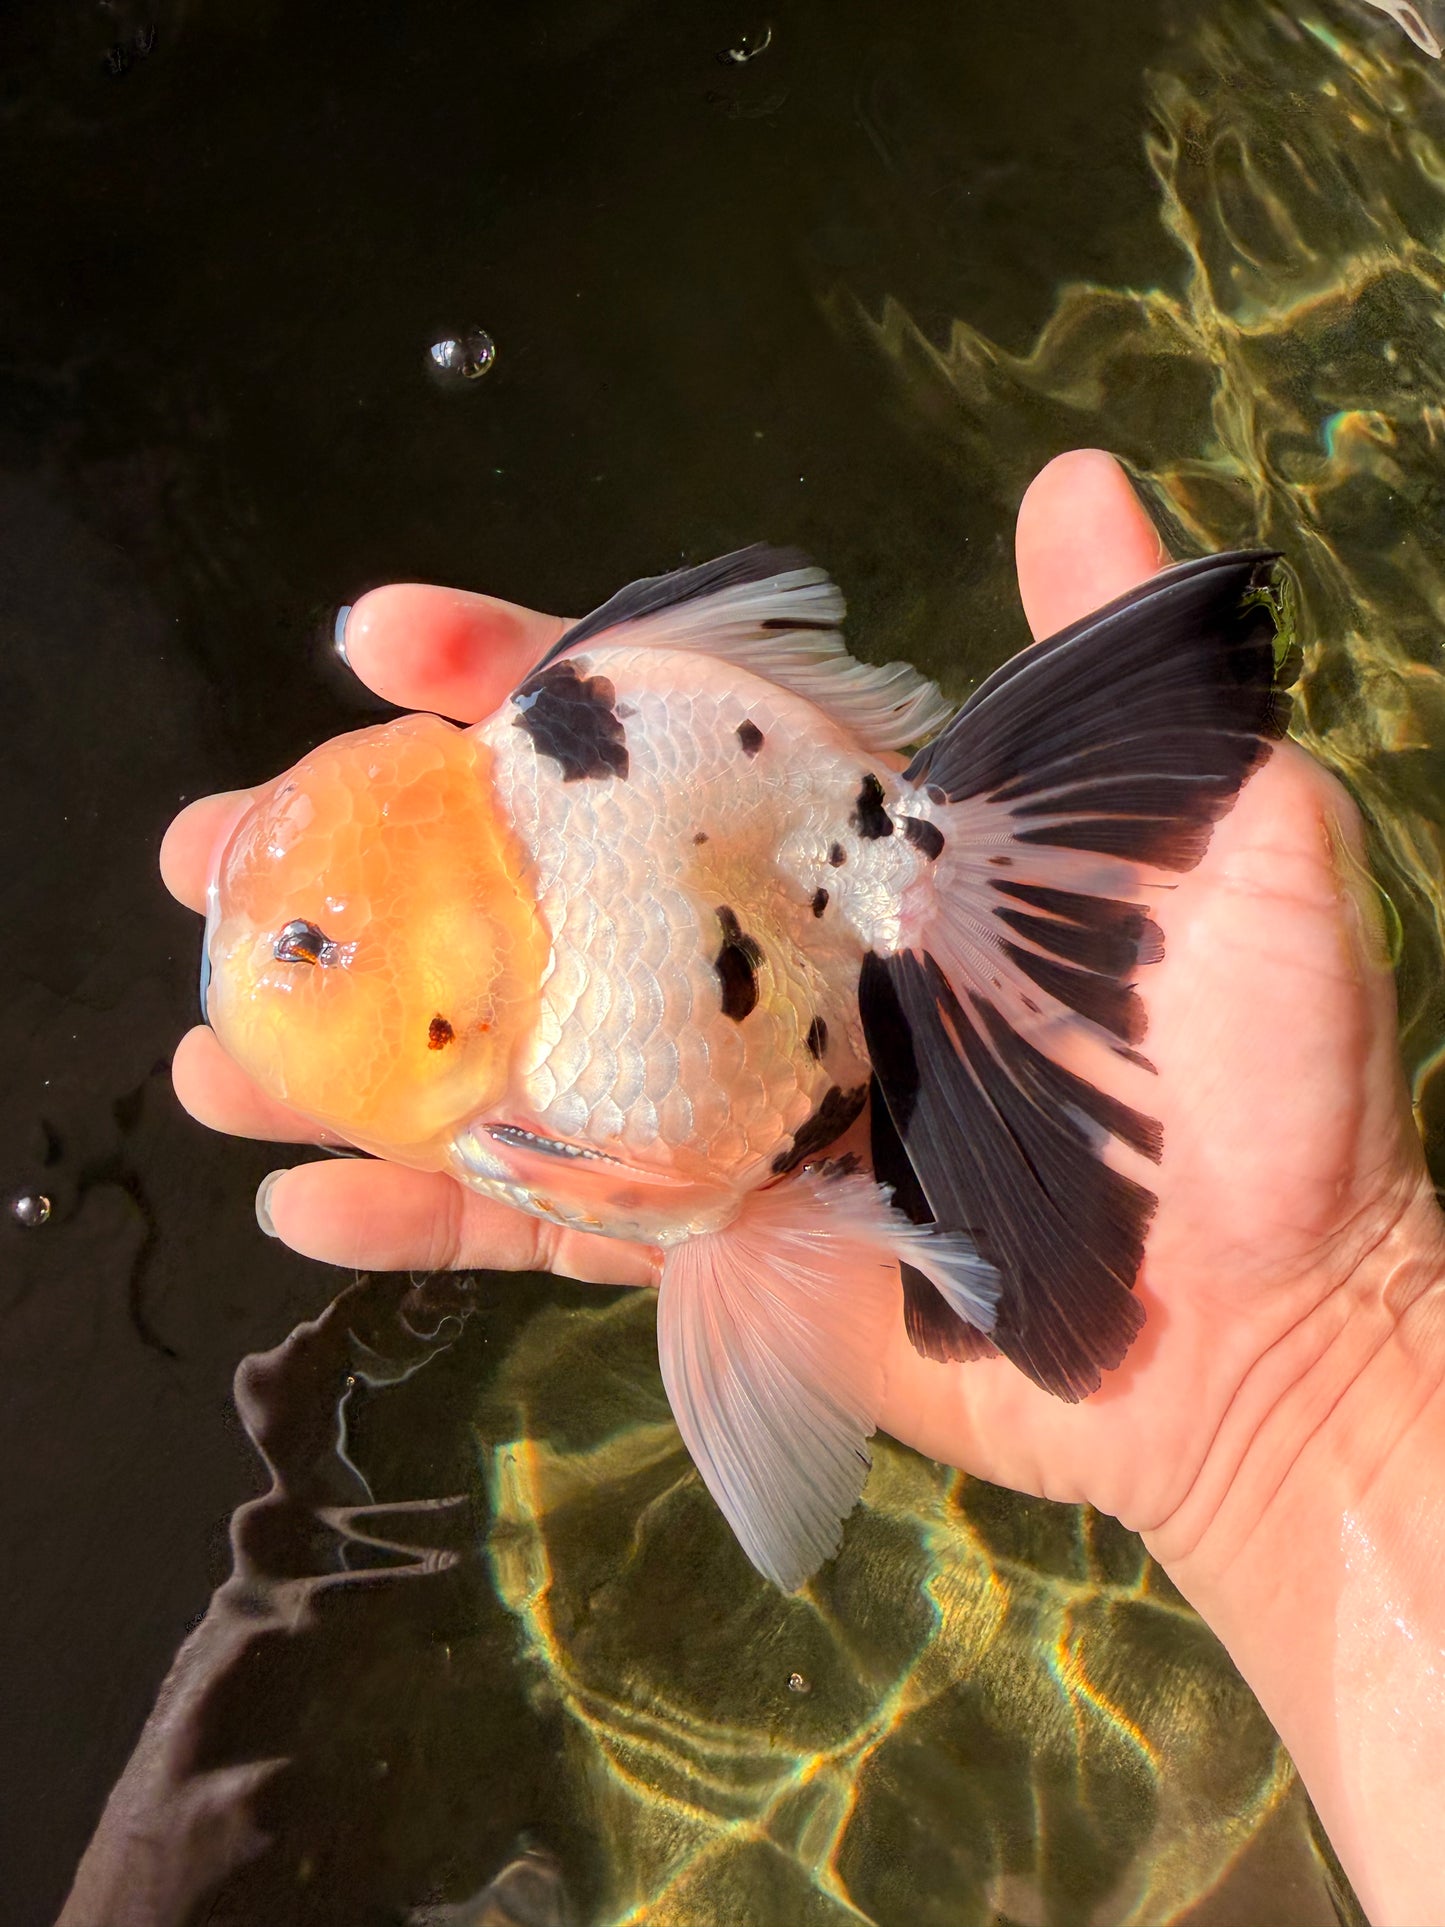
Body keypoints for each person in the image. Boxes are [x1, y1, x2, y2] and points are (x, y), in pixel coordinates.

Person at [161, 449, 1445, 1926]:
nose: (274, 969)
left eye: (312, 948)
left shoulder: (518, 1105)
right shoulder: (506, 1089)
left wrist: (1303, 1362)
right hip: (773, 864)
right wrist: (1311, 1382)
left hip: (791, 865)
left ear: (439, 1022)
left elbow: (685, 1193)